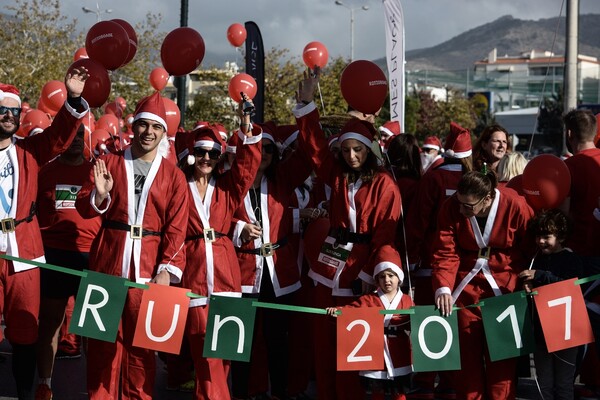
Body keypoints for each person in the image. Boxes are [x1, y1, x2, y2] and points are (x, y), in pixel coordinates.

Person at [294, 67, 401, 400]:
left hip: (361, 273)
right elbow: (314, 147)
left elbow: (385, 235)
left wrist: (371, 274)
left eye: (358, 150)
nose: (351, 156)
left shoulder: (384, 184)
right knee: (323, 348)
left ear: (369, 149)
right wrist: (306, 103)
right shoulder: (336, 173)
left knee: (353, 353)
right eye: (346, 150)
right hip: (329, 268)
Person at [76, 91, 189, 399]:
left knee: (142, 353)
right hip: (107, 265)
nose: (148, 132)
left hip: (150, 271)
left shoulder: (174, 176)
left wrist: (168, 270)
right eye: (143, 125)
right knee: (101, 348)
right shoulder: (108, 163)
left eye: (156, 127)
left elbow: (177, 229)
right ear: (133, 127)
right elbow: (84, 208)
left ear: (164, 133)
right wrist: (100, 195)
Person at [0, 69, 89, 400]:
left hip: (23, 250)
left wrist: (74, 98)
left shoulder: (30, 150)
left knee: (25, 331)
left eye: (14, 111)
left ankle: (26, 392)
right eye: (2, 111)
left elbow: (60, 134)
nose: (9, 116)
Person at [179, 93, 262, 400]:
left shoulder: (226, 188)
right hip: (195, 277)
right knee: (204, 355)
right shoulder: (178, 185)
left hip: (227, 277)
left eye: (213, 155)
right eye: (201, 152)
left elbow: (246, 168)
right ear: (192, 153)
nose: (206, 159)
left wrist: (245, 127)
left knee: (225, 355)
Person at [433, 171, 534, 400]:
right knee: (467, 367)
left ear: (487, 198)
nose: (461, 210)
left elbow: (530, 247)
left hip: (506, 289)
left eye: (468, 207)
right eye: (460, 203)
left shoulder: (515, 205)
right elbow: (444, 251)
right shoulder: (451, 206)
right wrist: (443, 288)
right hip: (464, 290)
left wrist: (527, 280)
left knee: (503, 371)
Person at [230, 121, 312, 400]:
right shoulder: (232, 182)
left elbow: (310, 155)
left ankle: (279, 393)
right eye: (257, 147)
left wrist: (306, 107)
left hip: (278, 273)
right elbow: (213, 217)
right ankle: (241, 393)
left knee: (278, 340)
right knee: (241, 340)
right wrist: (237, 229)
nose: (262, 153)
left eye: (267, 148)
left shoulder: (283, 179)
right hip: (242, 273)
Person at [404, 122, 472, 400]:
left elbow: (417, 222)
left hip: (432, 263)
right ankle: (450, 383)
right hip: (465, 268)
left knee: (430, 323)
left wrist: (412, 258)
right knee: (457, 325)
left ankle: (425, 382)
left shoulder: (433, 179)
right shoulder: (476, 179)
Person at [35, 124, 101, 400]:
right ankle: (45, 384)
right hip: (54, 254)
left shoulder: (97, 170)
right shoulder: (46, 172)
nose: (76, 141)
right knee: (50, 321)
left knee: (93, 330)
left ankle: (95, 389)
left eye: (80, 137)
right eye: (71, 135)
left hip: (91, 256)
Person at [326, 245, 413, 400]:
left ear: (399, 277)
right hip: (374, 349)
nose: (387, 280)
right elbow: (350, 311)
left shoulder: (406, 300)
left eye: (391, 276)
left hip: (399, 350)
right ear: (376, 279)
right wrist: (337, 312)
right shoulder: (369, 299)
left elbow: (416, 321)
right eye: (382, 276)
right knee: (377, 392)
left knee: (399, 393)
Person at [518, 209, 583, 400]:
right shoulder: (534, 259)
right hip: (540, 333)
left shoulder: (571, 259)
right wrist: (527, 284)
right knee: (544, 384)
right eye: (538, 236)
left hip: (567, 332)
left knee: (564, 384)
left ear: (561, 236)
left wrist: (539, 275)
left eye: (547, 236)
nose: (541, 241)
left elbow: (570, 285)